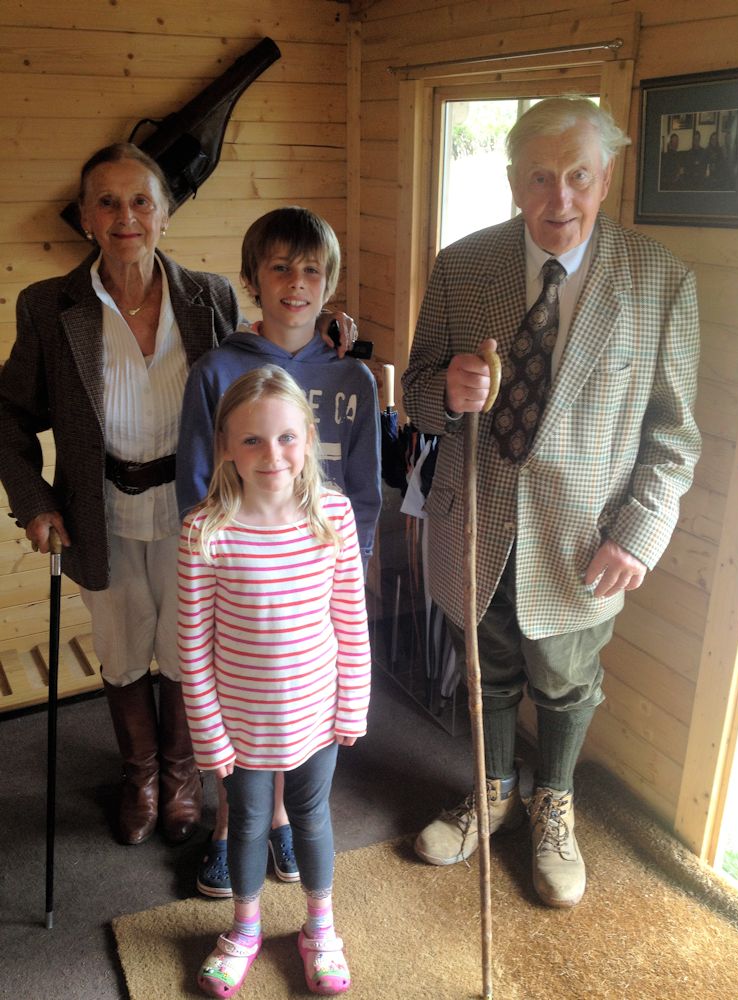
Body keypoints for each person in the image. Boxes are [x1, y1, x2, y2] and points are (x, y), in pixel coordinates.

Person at [0, 143, 355, 850]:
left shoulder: (209, 296)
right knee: (123, 648)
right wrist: (35, 501)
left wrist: (324, 332)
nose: (125, 216)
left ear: (165, 214)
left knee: (192, 648)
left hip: (199, 508)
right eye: (107, 202)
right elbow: (8, 412)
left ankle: (183, 775)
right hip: (98, 509)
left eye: (142, 201)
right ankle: (141, 776)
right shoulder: (48, 305)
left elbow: (259, 365)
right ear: (86, 217)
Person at [401, 96, 700, 909]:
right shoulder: (462, 266)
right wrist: (444, 390)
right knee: (489, 669)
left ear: (606, 177)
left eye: (577, 176)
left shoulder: (661, 281)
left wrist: (639, 533)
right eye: (540, 177)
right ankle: (492, 792)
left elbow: (674, 437)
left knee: (566, 683)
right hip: (475, 524)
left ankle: (554, 806)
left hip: (584, 541)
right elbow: (414, 395)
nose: (559, 198)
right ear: (513, 181)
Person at [176, 205, 381, 898]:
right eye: (280, 268)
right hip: (240, 573)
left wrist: (350, 564)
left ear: (330, 283)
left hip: (314, 572)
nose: (296, 283)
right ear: (253, 278)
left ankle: (287, 821)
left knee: (301, 709)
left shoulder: (353, 379)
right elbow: (196, 483)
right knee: (238, 700)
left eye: (312, 271)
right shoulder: (218, 370)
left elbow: (363, 488)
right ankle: (230, 822)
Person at [177, 365, 370, 997]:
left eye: (287, 437)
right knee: (247, 822)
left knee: (311, 817)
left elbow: (350, 621)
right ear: (225, 446)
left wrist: (353, 705)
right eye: (252, 440)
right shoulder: (205, 531)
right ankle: (245, 928)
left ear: (309, 439)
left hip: (317, 715)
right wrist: (209, 735)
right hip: (240, 726)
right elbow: (193, 647)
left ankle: (320, 928)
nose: (272, 454)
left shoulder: (333, 517)